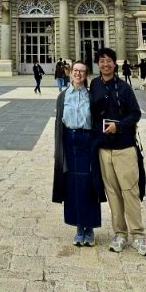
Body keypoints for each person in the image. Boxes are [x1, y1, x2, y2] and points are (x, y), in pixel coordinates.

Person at [90, 47, 146, 257]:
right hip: (104, 149)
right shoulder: (95, 84)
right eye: (101, 61)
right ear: (98, 64)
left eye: (108, 61)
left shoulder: (124, 88)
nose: (105, 64)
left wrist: (119, 126)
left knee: (129, 191)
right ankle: (120, 233)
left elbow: (135, 114)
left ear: (114, 64)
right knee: (113, 193)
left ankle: (138, 234)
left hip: (124, 147)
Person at [52, 60, 105, 247]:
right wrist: (57, 149)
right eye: (75, 70)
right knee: (72, 183)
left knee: (89, 183)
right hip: (69, 140)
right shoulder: (62, 96)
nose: (78, 74)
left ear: (87, 75)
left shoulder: (92, 97)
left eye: (82, 71)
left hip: (87, 141)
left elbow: (99, 122)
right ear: (70, 73)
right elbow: (59, 123)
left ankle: (89, 227)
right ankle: (78, 227)